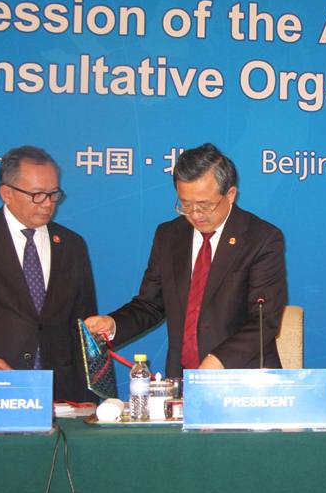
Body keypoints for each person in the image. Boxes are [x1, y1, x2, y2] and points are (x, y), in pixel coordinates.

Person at [85, 143, 287, 375]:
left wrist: (218, 360)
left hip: (242, 379)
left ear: (230, 195)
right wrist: (113, 325)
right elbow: (150, 304)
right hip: (181, 378)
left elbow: (264, 320)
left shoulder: (261, 238)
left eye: (205, 205)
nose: (195, 215)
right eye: (186, 205)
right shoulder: (169, 236)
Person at [0, 146, 97, 401]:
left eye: (54, 194)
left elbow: (83, 327)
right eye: (37, 195)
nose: (48, 204)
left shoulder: (72, 245)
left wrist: (89, 398)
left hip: (61, 396)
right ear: (6, 193)